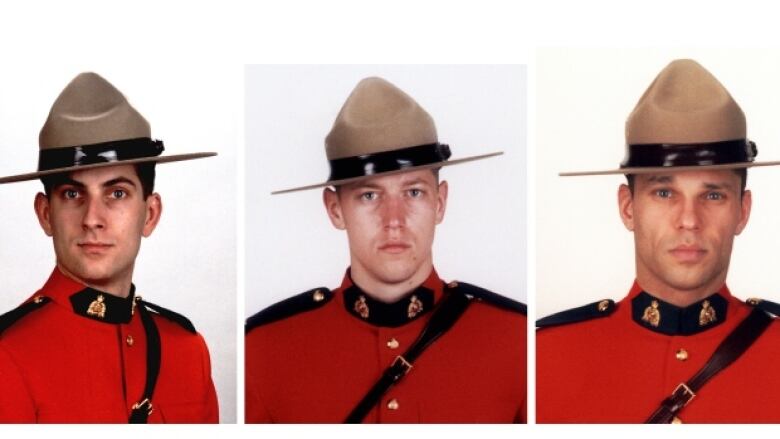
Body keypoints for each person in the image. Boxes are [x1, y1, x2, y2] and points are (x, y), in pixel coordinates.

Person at [245, 76, 526, 423]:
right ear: (335, 210)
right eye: (369, 195)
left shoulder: (516, 343)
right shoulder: (263, 351)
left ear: (440, 203)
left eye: (414, 192)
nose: (394, 220)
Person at [537, 59, 780, 423]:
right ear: (627, 207)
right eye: (664, 193)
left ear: (743, 211)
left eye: (713, 195)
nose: (688, 220)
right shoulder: (544, 358)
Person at [0, 72, 219, 423]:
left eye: (117, 193)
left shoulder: (187, 350)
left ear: (150, 214)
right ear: (45, 214)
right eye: (72, 194)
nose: (92, 218)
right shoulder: (7, 355)